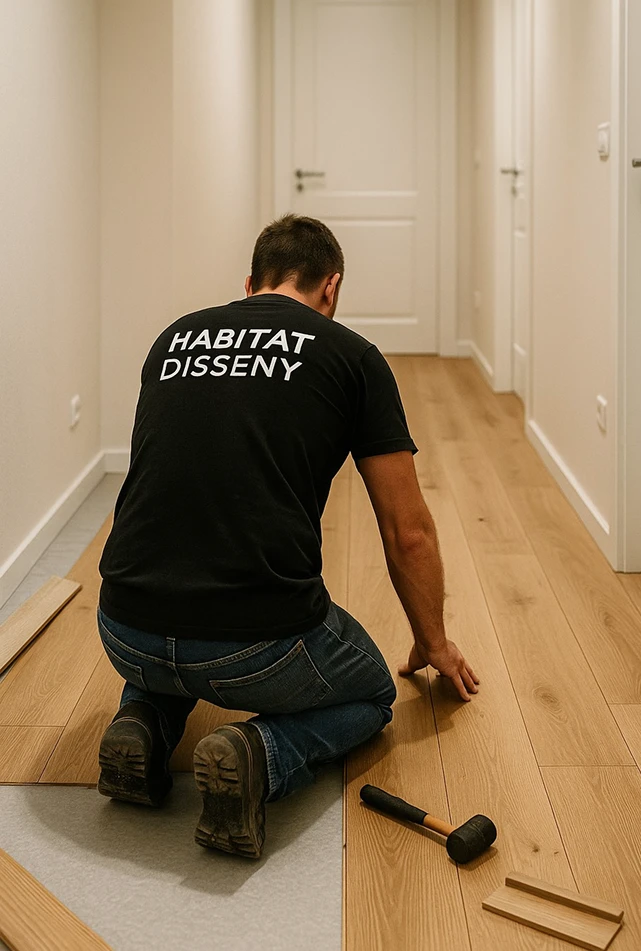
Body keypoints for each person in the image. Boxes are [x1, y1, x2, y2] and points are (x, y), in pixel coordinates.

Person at [96, 214, 479, 859]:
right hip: (255, 645)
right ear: (331, 288)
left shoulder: (171, 340)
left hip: (122, 628)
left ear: (251, 284)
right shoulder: (351, 357)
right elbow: (407, 531)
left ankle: (144, 721)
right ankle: (261, 755)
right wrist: (432, 641)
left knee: (175, 619)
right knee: (372, 693)